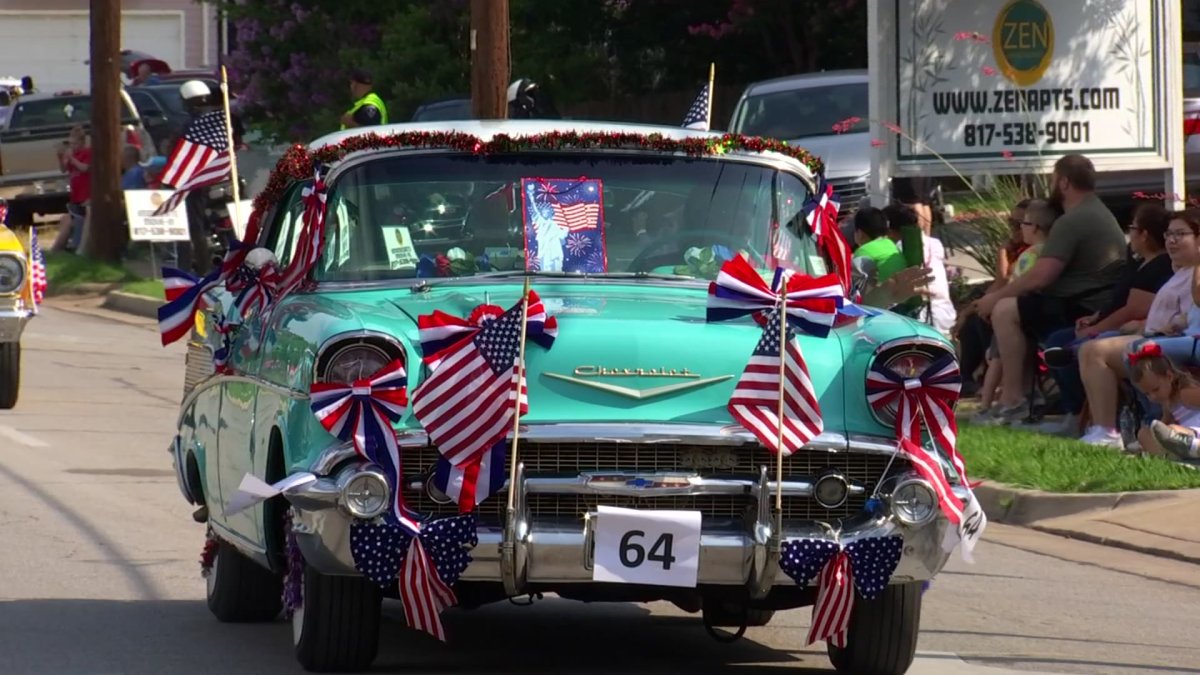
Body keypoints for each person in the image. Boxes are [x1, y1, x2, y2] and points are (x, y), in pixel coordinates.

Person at [976, 154, 1126, 423]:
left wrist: (995, 296)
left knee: (1004, 309)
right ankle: (1021, 395)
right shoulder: (1095, 210)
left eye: (1053, 180)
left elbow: (1041, 276)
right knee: (1018, 309)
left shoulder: (1074, 220)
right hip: (1092, 299)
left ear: (1064, 182)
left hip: (1084, 304)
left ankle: (1013, 398)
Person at [1038, 203, 1174, 435]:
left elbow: (1132, 309)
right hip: (1119, 325)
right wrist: (1096, 317)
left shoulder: (1158, 266)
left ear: (1144, 234)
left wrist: (1096, 329)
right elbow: (1118, 301)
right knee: (1060, 339)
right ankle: (1082, 413)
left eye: (1132, 228)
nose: (1129, 234)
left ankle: (1092, 419)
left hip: (1141, 331)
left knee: (1084, 346)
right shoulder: (1139, 264)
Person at [1073, 209, 1200, 446]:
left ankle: (1127, 428)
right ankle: (1106, 429)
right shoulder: (1180, 272)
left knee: (1122, 351)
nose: (1171, 241)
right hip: (1165, 335)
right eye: (1168, 234)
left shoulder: (1195, 272)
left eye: (1180, 234)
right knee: (1090, 348)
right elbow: (1183, 314)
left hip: (1184, 341)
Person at [974, 199, 1055, 422]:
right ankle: (1024, 396)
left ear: (1036, 228)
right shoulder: (1048, 252)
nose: (1019, 229)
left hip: (1019, 315)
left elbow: (1017, 284)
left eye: (1024, 224)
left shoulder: (1031, 256)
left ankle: (1000, 402)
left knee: (998, 357)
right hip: (1033, 316)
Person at [885, 203, 956, 335]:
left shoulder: (897, 250)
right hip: (946, 315)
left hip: (921, 320)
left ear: (890, 229)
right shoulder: (935, 244)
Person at [1129, 341, 1200, 459]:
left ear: (1169, 376)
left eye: (1155, 389)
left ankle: (1190, 450)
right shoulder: (1167, 402)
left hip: (1194, 433)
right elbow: (1162, 426)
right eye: (1147, 394)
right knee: (1144, 433)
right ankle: (1168, 455)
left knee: (1173, 430)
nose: (1152, 397)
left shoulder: (1185, 394)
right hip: (1186, 435)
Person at [51, 125, 91, 252]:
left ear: (81, 142)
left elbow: (85, 168)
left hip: (86, 193)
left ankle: (79, 246)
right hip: (76, 193)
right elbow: (64, 170)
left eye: (75, 143)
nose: (72, 146)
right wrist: (60, 157)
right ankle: (65, 247)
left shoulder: (86, 152)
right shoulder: (72, 154)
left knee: (82, 220)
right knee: (73, 219)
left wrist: (72, 159)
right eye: (71, 143)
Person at [852, 207, 905, 284]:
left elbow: (857, 287)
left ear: (860, 233)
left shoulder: (864, 252)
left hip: (883, 294)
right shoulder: (892, 246)